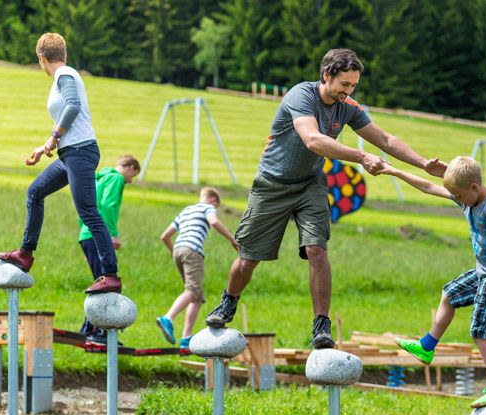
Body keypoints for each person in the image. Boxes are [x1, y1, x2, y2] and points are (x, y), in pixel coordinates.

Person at [204, 48, 447, 349]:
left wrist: (424, 163)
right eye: (345, 84)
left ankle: (321, 324)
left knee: (317, 249)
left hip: (311, 185)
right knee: (249, 257)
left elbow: (385, 140)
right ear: (326, 75)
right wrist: (360, 157)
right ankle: (228, 302)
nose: (349, 91)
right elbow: (313, 140)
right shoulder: (301, 96)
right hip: (272, 184)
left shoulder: (348, 107)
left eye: (354, 85)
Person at [379, 156, 486, 408]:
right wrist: (395, 173)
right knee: (449, 294)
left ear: (473, 187)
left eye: (459, 196)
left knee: (480, 332)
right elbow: (428, 186)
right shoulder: (467, 196)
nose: (457, 201)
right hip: (485, 271)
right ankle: (426, 347)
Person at [0, 33, 120, 295]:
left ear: (42, 58)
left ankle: (110, 274)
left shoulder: (65, 75)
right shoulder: (63, 77)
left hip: (81, 152)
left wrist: (53, 138)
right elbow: (67, 115)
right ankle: (25, 254)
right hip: (70, 154)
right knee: (35, 192)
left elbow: (73, 106)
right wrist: (45, 147)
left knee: (88, 211)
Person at [156, 188, 239, 352]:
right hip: (192, 251)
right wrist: (231, 239)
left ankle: (186, 338)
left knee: (197, 296)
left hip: (178, 250)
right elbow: (214, 222)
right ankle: (168, 318)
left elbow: (165, 236)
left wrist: (174, 251)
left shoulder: (187, 210)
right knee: (193, 291)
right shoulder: (208, 208)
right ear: (213, 200)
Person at [78, 155, 141, 343]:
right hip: (98, 234)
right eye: (134, 175)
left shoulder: (99, 179)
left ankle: (88, 328)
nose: (131, 180)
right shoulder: (116, 178)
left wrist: (90, 240)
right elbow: (108, 206)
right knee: (108, 283)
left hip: (86, 234)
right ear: (130, 167)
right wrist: (111, 235)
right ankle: (100, 331)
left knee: (101, 282)